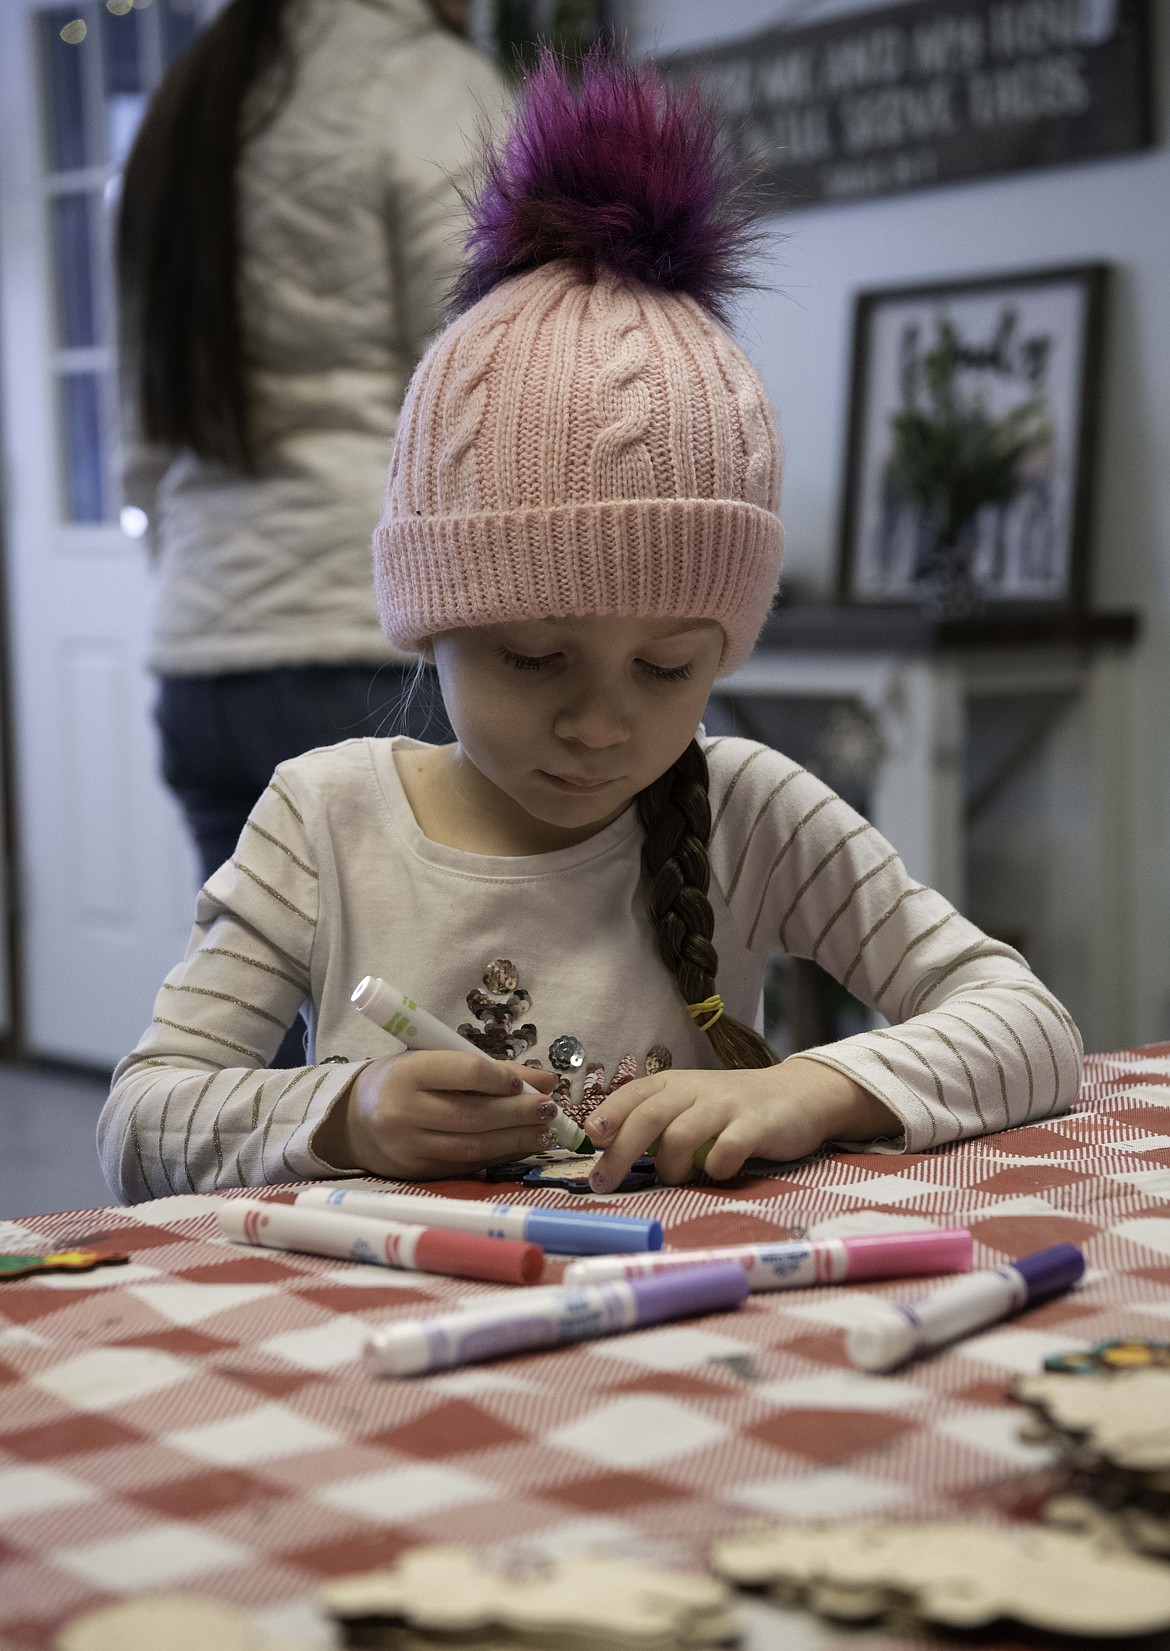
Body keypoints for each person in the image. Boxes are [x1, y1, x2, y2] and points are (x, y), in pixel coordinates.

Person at [98, 53, 1082, 1202]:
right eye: (532, 658)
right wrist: (343, 1113)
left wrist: (801, 1087)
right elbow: (141, 1122)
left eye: (667, 666)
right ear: (431, 626)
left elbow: (1030, 1025)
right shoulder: (325, 827)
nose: (603, 724)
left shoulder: (750, 815)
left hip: (679, 1341)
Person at [116, 0, 506, 886]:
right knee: (426, 1019)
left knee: (261, 1012)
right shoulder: (428, 85)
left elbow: (142, 436)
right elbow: (484, 392)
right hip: (365, 650)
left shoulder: (187, 106)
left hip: (204, 657)